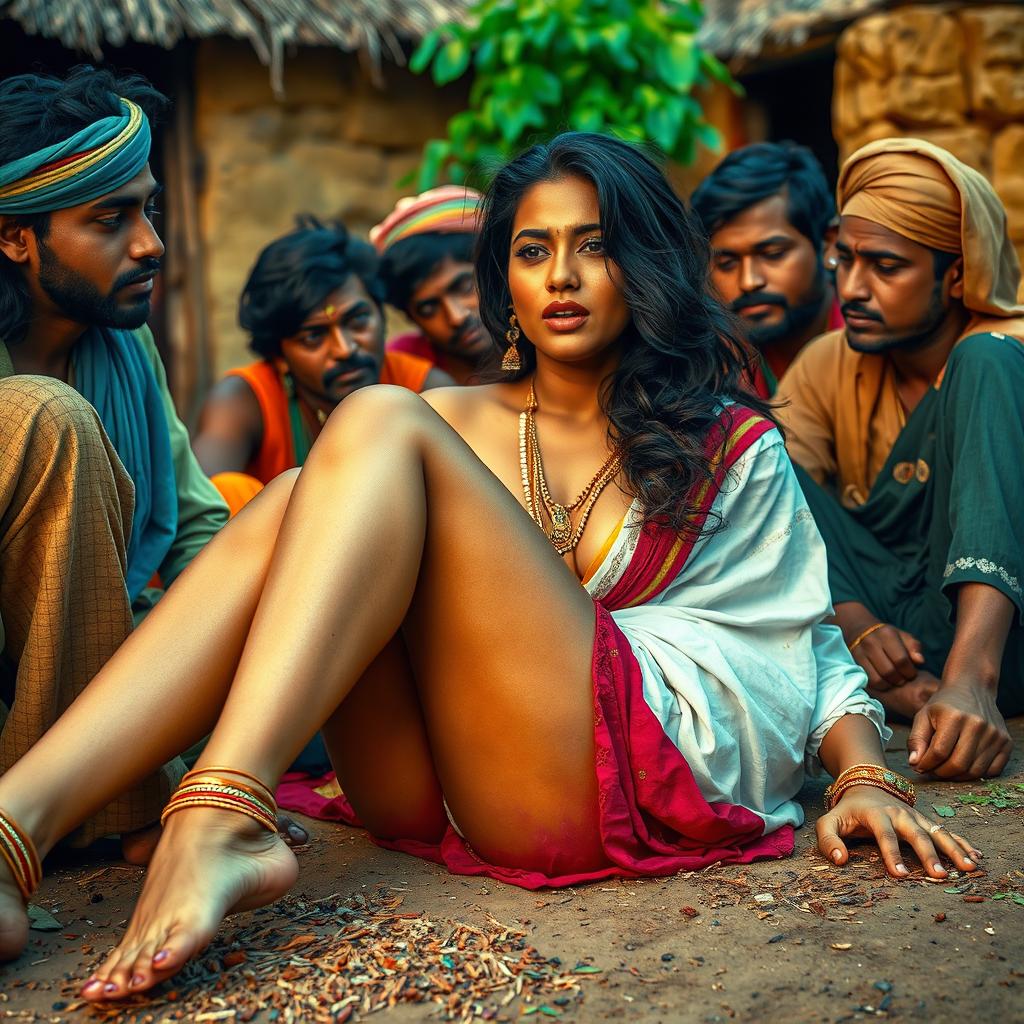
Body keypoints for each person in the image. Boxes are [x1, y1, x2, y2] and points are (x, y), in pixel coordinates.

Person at [0, 134, 979, 994]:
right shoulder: (455, 425)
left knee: (377, 418)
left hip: (643, 757)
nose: (560, 276)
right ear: (502, 278)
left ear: (644, 263)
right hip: (445, 782)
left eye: (593, 245)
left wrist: (863, 777)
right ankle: (15, 828)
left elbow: (804, 637)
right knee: (306, 495)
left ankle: (220, 809)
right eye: (531, 249)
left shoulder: (727, 438)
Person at [0, 67, 231, 853]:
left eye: (150, 210)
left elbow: (201, 528)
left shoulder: (125, 347)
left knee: (302, 506)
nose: (150, 244)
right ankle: (98, 800)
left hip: (107, 667)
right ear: (14, 236)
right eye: (110, 219)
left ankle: (163, 782)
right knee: (50, 417)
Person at [776, 137, 1024, 779]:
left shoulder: (1007, 354)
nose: (853, 287)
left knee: (985, 360)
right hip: (894, 633)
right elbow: (777, 499)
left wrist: (968, 679)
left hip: (1005, 639)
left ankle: (971, 682)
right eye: (846, 259)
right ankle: (913, 696)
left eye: (886, 267)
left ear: (958, 275)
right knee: (747, 441)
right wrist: (854, 623)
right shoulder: (828, 363)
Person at [192, 218, 453, 510]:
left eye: (357, 321)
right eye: (314, 336)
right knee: (228, 491)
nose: (345, 349)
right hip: (278, 552)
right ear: (279, 357)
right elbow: (199, 505)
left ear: (380, 314)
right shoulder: (244, 401)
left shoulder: (426, 390)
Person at [691, 142, 842, 395]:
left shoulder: (880, 351)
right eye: (727, 263)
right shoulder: (710, 374)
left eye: (773, 254)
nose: (749, 281)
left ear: (828, 245)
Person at [372, 186, 493, 384]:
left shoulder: (544, 346)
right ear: (411, 318)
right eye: (428, 309)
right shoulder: (402, 369)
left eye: (465, 287)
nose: (457, 317)